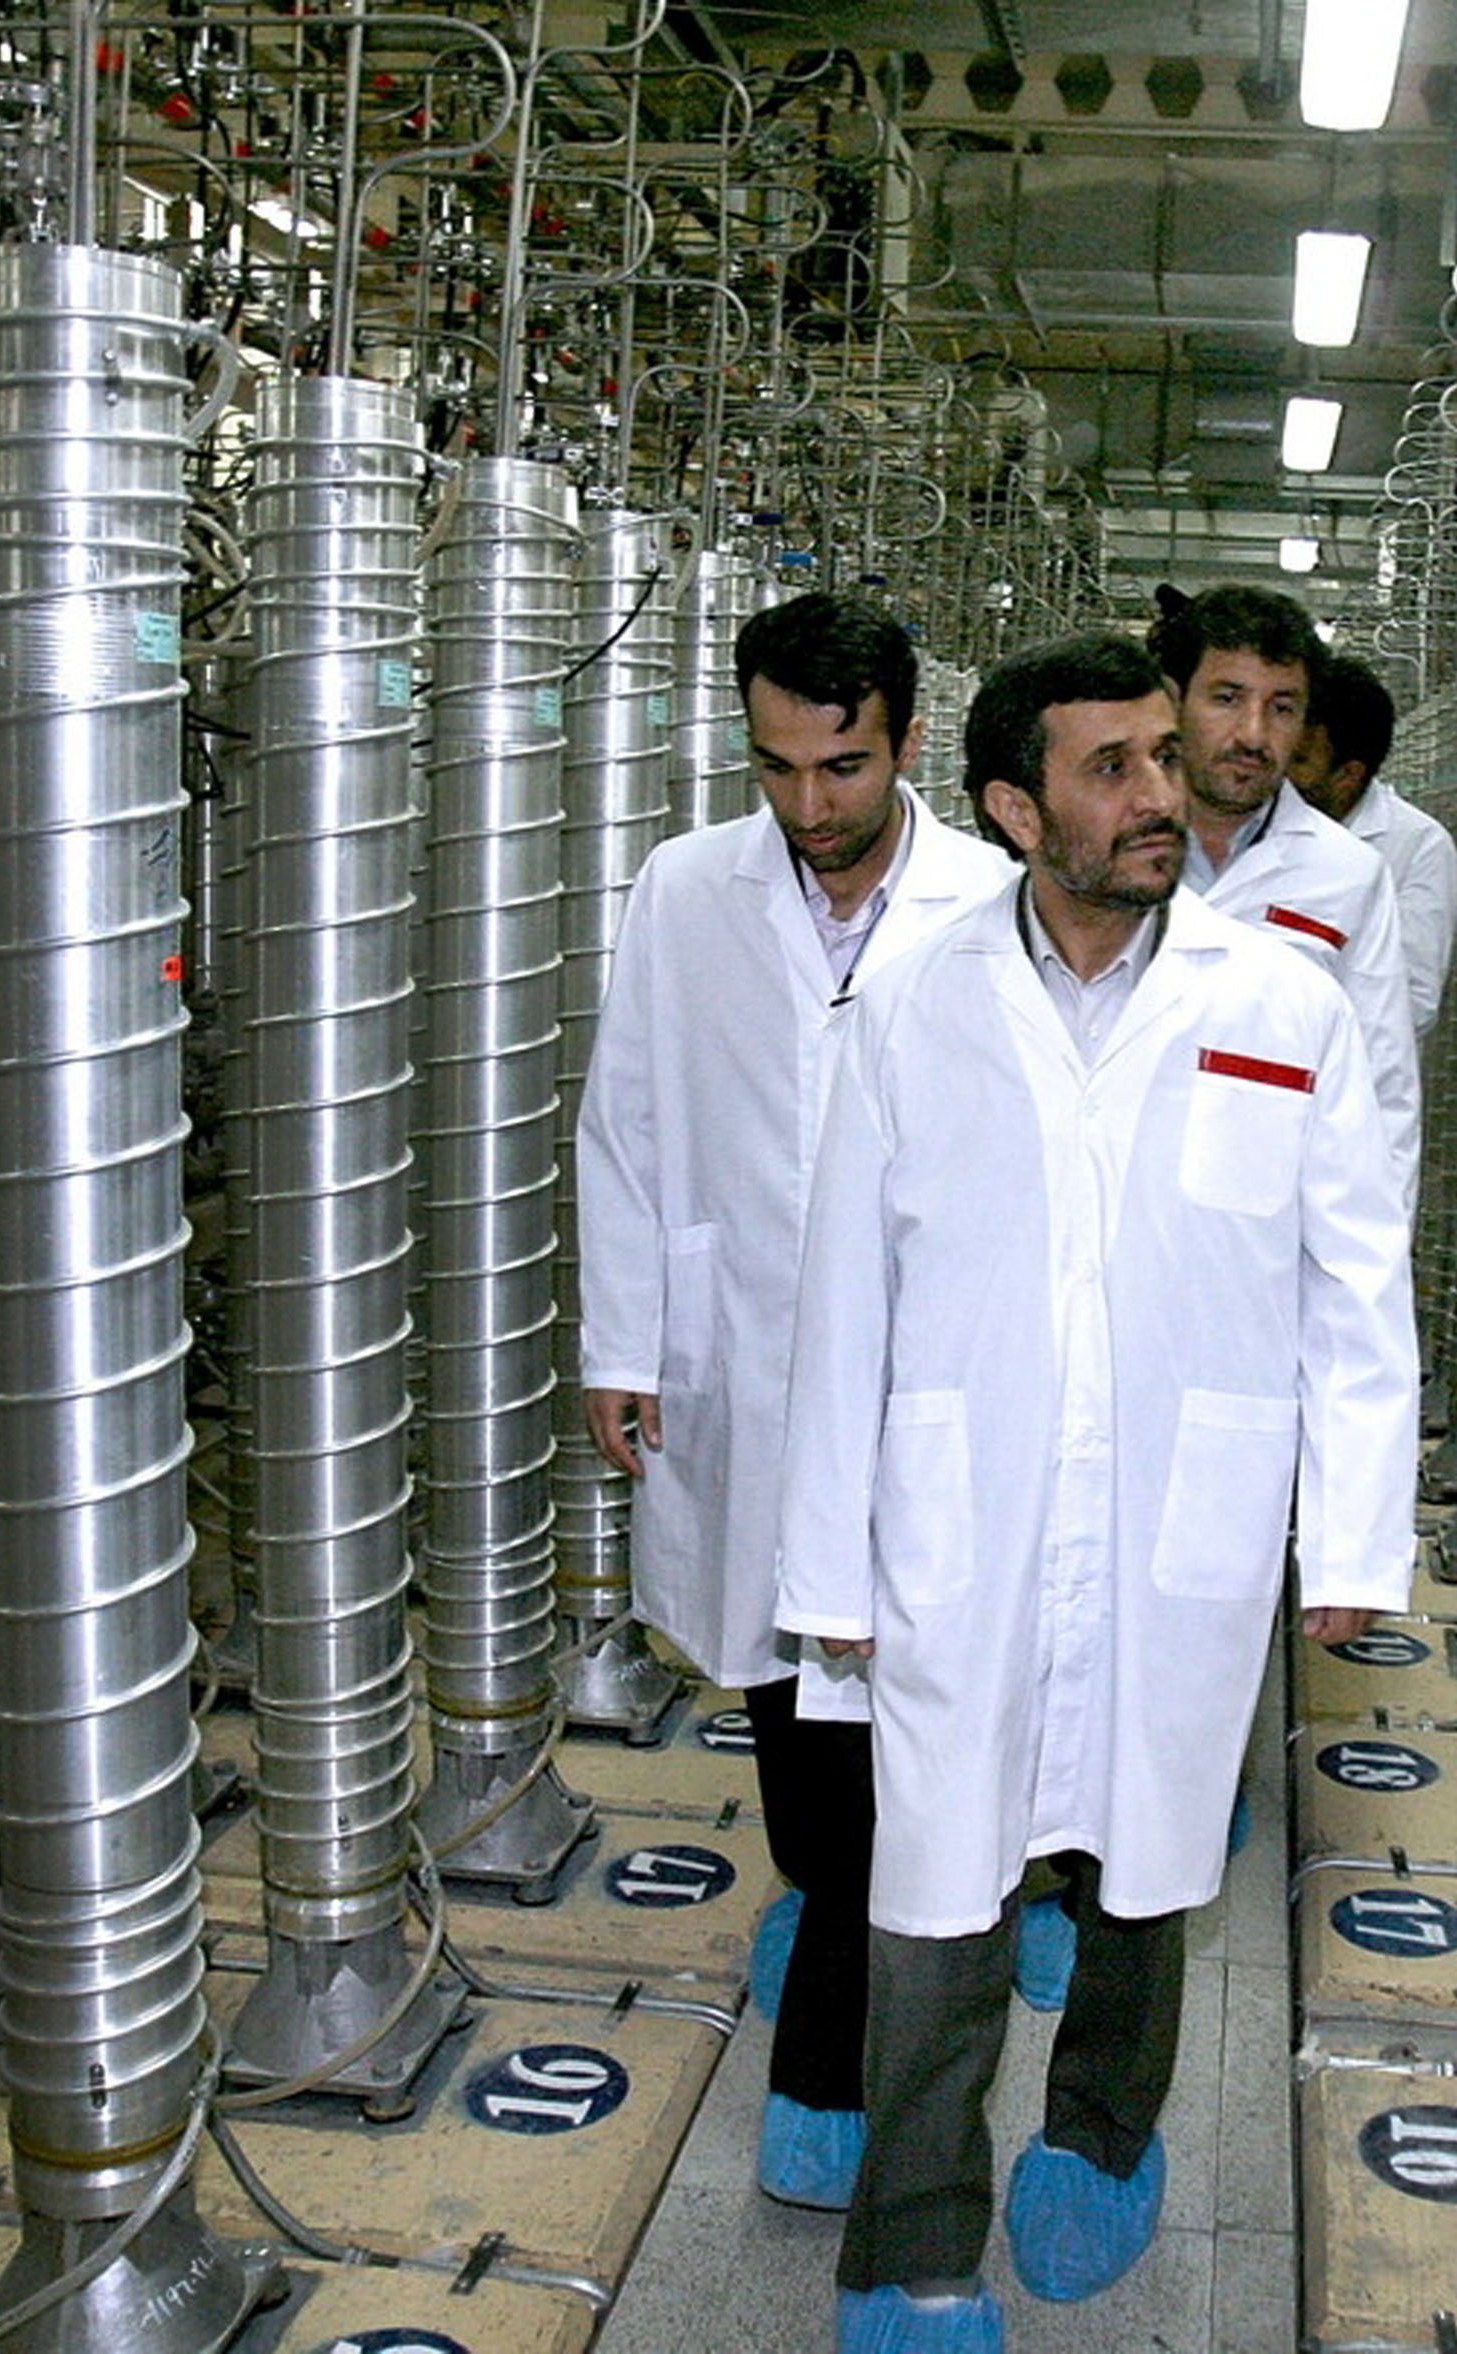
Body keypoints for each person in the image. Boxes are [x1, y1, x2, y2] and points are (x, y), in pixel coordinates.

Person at [777, 631, 1419, 2353]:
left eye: (1164, 752)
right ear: (1012, 806)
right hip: (959, 1508)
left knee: (1150, 1859)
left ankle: (1105, 2131)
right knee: (934, 1893)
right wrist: (825, 1554)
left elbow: (1355, 1280)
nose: (1167, 793)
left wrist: (1352, 1528)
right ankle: (910, 2247)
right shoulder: (914, 994)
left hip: (1181, 1510)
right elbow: (846, 1287)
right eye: (1113, 766)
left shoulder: (1277, 997)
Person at [575, 588, 1006, 2212]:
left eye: (843, 768)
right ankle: (827, 1896)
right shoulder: (688, 888)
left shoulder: (988, 899)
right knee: (785, 1707)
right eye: (776, 768)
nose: (809, 806)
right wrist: (624, 1335)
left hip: (920, 1387)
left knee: (885, 1751)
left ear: (907, 740)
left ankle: (827, 2079)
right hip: (743, 1357)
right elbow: (623, 1117)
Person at [1150, 584, 1421, 1177]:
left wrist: (1370, 1260)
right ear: (1173, 701)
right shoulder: (1110, 843)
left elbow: (1382, 1090)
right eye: (1227, 698)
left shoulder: (1347, 876)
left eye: (1282, 708)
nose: (1253, 734)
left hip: (1268, 1217)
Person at [1288, 650, 1457, 1042]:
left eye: (1300, 760)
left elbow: (1413, 1001)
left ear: (1348, 774)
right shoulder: (1253, 823)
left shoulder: (1417, 845)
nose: (1281, 772)